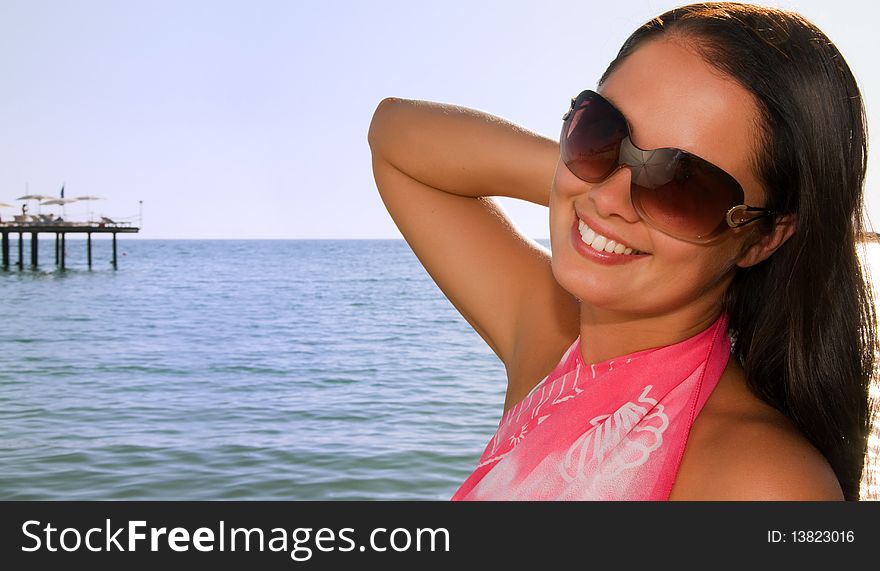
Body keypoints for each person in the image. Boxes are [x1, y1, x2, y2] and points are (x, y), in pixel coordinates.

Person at [368, 2, 877, 500]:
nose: (611, 199)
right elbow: (393, 135)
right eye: (600, 130)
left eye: (685, 184)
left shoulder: (764, 486)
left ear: (764, 236)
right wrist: (580, 179)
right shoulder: (556, 349)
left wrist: (597, 172)